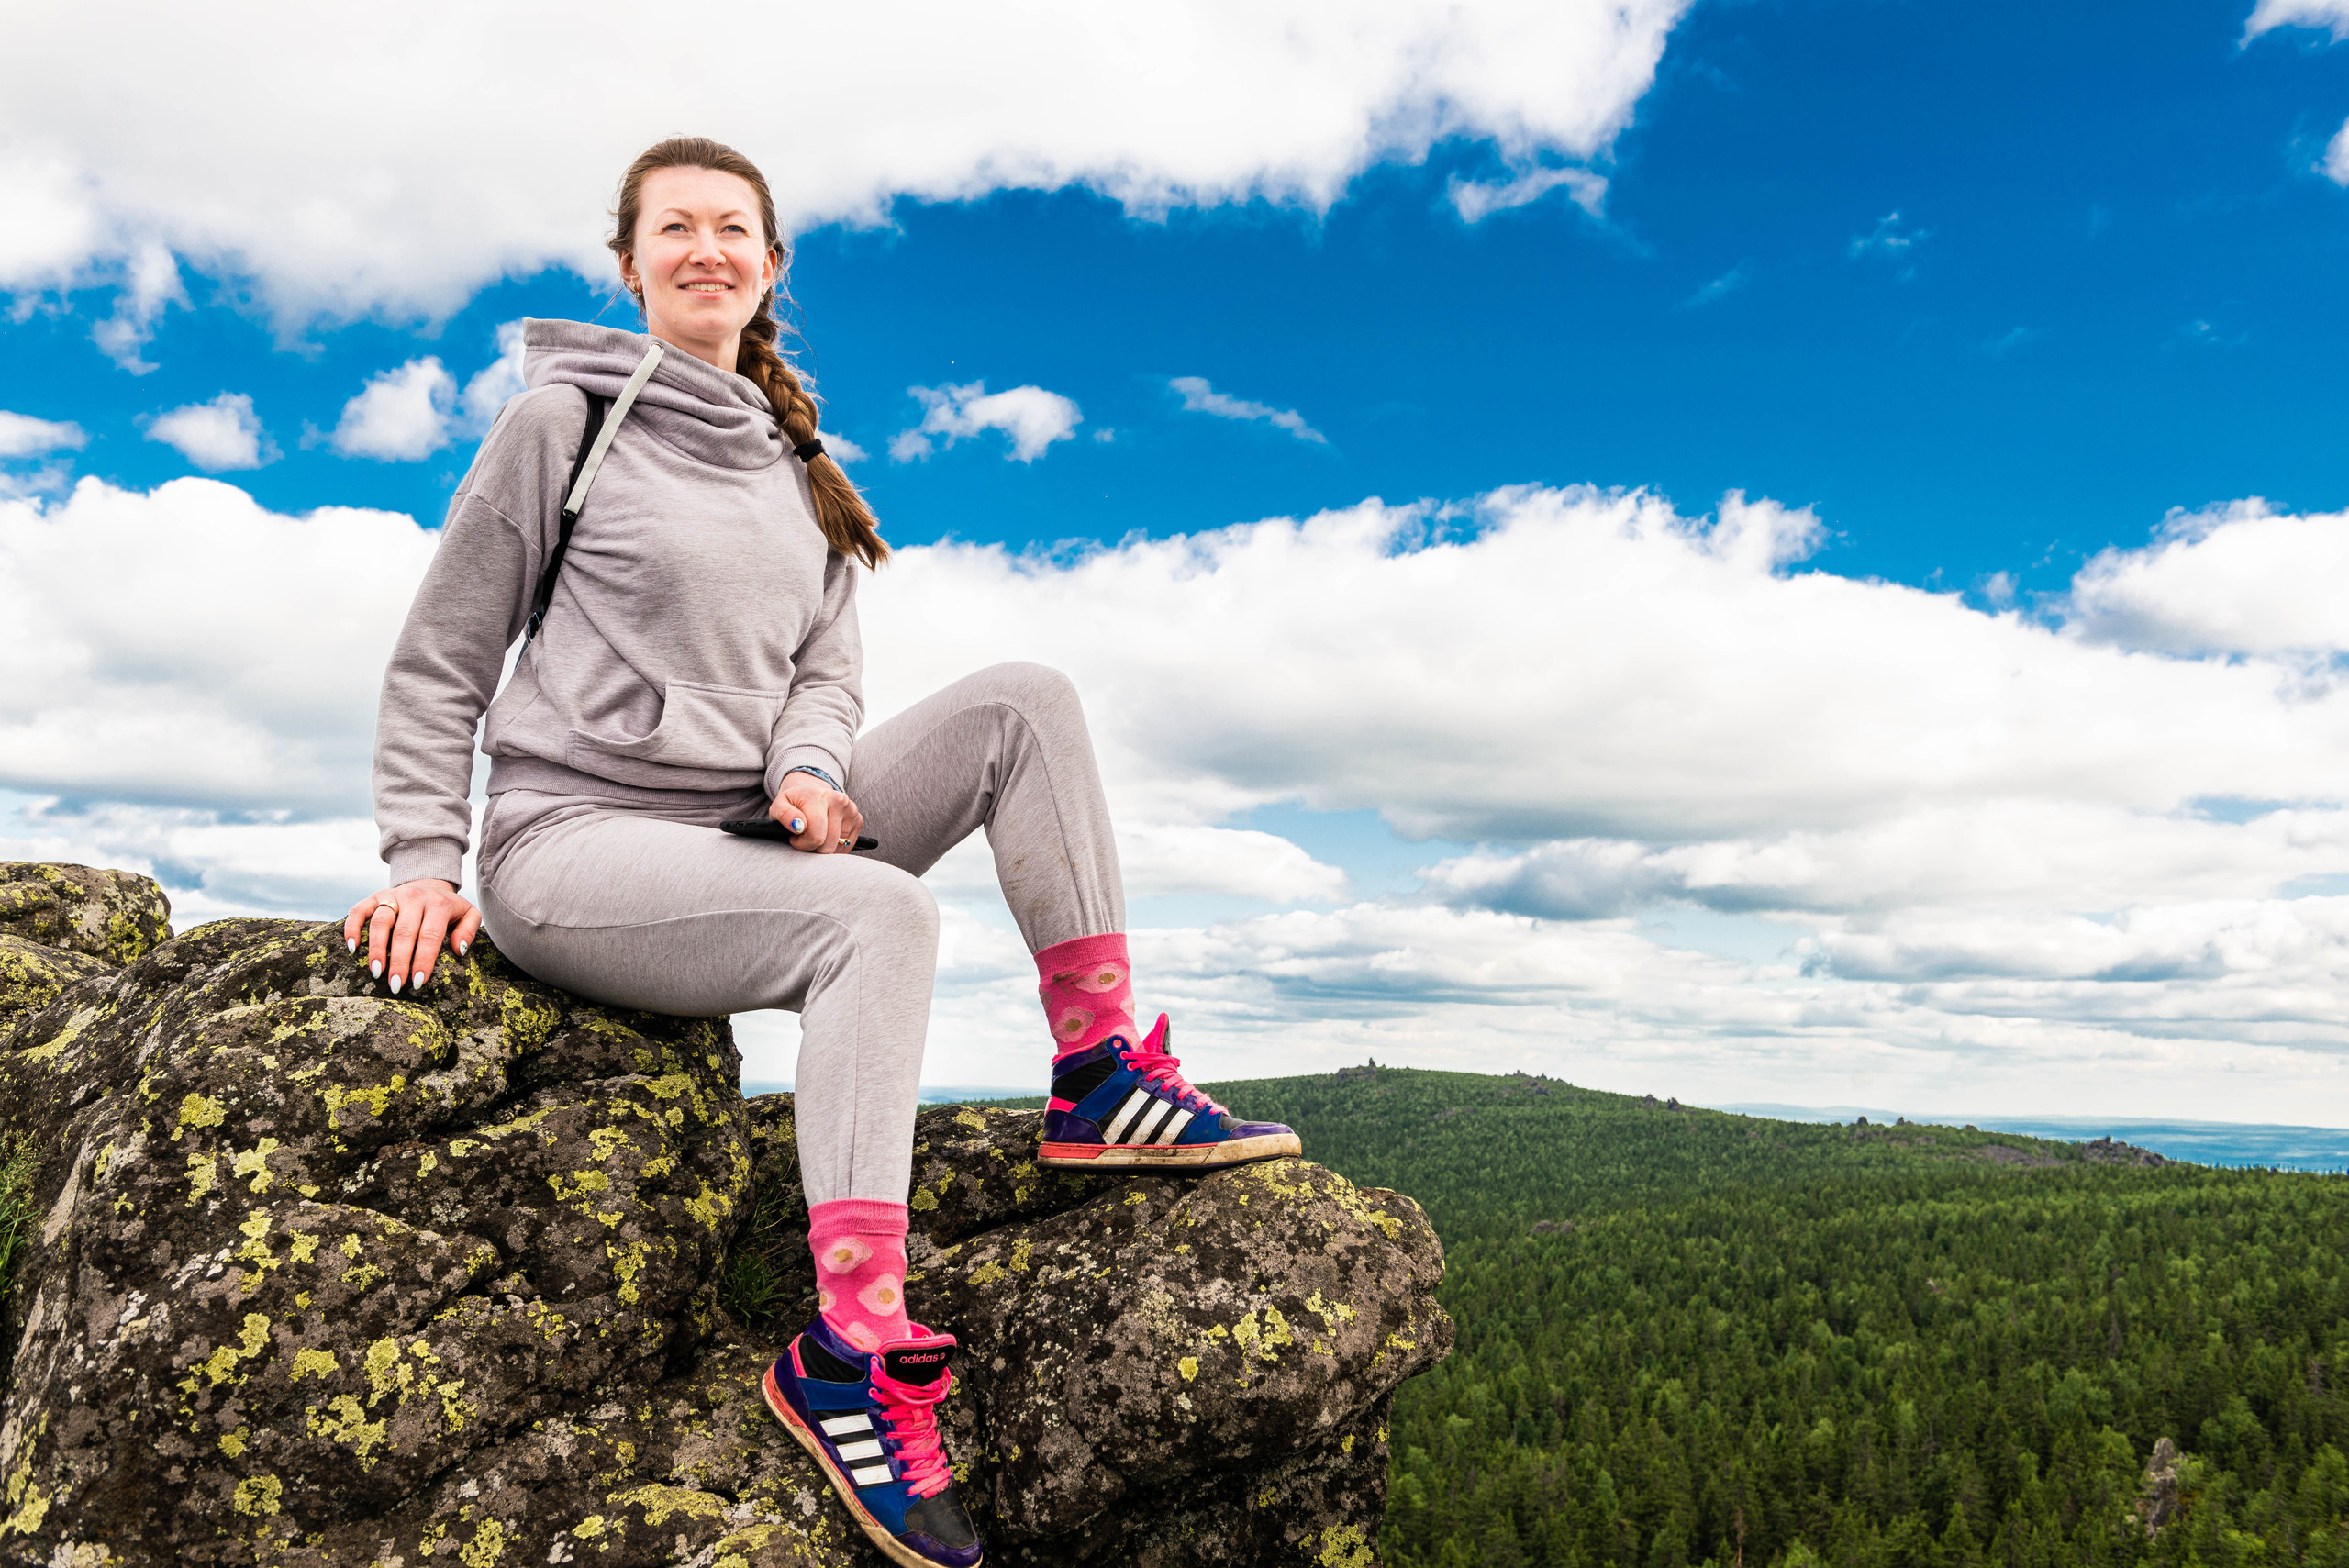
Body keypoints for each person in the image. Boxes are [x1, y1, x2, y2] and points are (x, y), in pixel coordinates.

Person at [346, 136, 1299, 1568]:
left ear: (771, 264)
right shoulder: (565, 422)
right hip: (574, 846)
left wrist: (806, 768)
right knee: (875, 919)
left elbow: (826, 679)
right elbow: (443, 658)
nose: (706, 249)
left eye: (735, 228)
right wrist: (425, 851)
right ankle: (851, 1342)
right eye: (676, 229)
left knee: (1024, 701)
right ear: (630, 264)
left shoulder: (802, 468)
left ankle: (1101, 1071)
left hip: (743, 832)